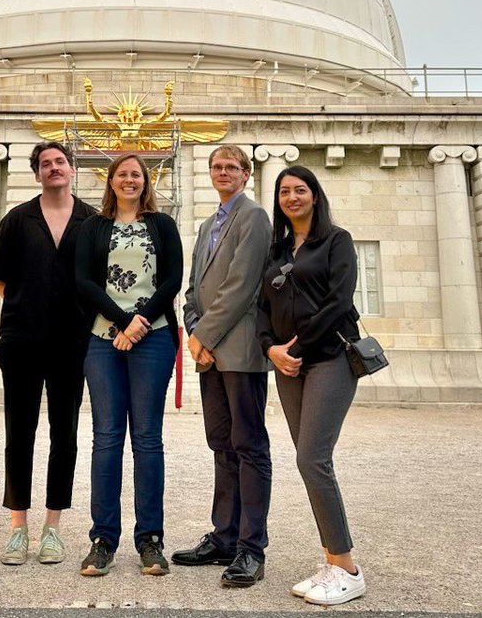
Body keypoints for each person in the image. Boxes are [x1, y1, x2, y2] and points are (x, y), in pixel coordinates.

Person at [256, 165, 366, 606]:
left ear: (315, 196)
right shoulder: (277, 248)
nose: (292, 197)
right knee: (309, 462)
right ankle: (331, 561)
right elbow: (261, 306)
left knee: (312, 458)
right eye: (284, 191)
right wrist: (271, 350)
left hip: (330, 357)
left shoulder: (337, 241)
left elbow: (340, 301)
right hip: (287, 363)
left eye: (300, 190)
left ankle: (348, 567)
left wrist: (296, 347)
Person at [74, 153, 183, 578]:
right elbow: (84, 281)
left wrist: (139, 323)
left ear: (145, 181)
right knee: (106, 438)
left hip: (153, 338)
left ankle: (150, 540)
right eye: (122, 174)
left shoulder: (163, 225)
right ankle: (103, 540)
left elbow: (172, 278)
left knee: (147, 438)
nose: (129, 180)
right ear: (111, 180)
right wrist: (123, 321)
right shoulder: (94, 227)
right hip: (103, 339)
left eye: (136, 174)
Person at [0, 141, 97, 566]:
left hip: (73, 343)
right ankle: (19, 526)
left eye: (60, 162)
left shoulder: (92, 219)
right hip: (22, 340)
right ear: (37, 174)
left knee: (64, 434)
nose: (54, 168)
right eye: (46, 164)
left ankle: (53, 526)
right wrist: (32, 304)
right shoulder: (17, 219)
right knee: (19, 433)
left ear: (72, 169)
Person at [172, 145, 273, 588]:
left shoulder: (253, 218)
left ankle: (252, 548)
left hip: (240, 351)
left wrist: (202, 336)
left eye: (232, 167)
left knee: (249, 446)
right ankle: (225, 537)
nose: (223, 172)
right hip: (209, 352)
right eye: (217, 166)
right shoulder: (205, 224)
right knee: (222, 444)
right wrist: (194, 330)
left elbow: (241, 285)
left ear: (246, 175)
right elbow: (192, 289)